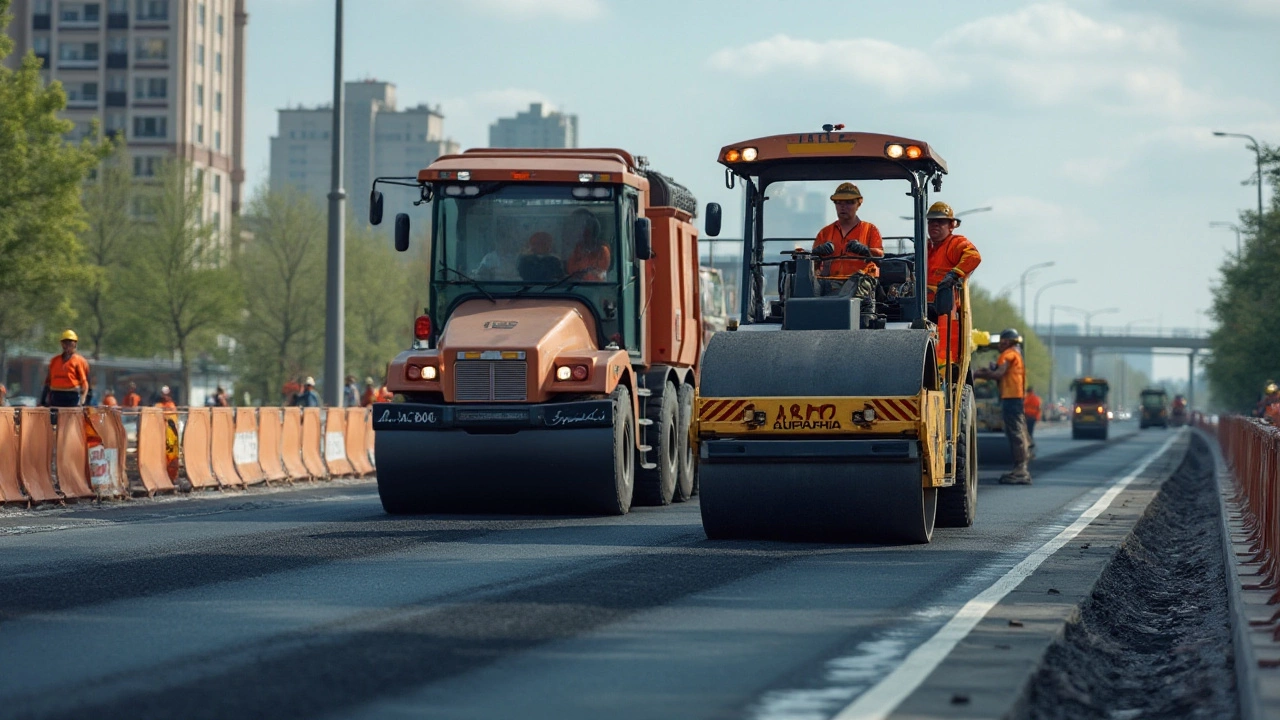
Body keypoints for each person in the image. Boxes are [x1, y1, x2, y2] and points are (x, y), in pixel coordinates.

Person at [925, 202, 982, 365]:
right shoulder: (927, 248)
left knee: (943, 356)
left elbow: (973, 257)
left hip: (945, 307)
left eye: (940, 222)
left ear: (951, 225)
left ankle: (943, 371)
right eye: (931, 221)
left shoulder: (955, 244)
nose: (934, 224)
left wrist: (953, 274)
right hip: (923, 305)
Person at [975, 328, 1031, 484]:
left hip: (1012, 398)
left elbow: (999, 374)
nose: (1000, 345)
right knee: (1017, 432)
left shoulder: (1009, 354)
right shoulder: (1015, 354)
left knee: (1016, 433)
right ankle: (1021, 468)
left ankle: (1021, 470)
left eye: (1001, 342)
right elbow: (1001, 373)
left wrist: (978, 374)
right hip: (1014, 397)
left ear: (1006, 342)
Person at [811, 183, 883, 299]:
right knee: (808, 289)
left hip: (861, 282)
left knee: (853, 290)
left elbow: (880, 259)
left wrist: (866, 251)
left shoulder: (870, 230)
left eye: (849, 202)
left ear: (859, 203)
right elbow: (813, 267)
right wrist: (816, 254)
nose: (843, 207)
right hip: (829, 282)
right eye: (839, 202)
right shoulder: (825, 233)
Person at [42, 329, 91, 408]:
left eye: (70, 343)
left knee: (71, 419)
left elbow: (85, 383)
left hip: (72, 396)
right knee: (55, 419)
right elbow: (48, 381)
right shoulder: (54, 361)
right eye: (65, 343)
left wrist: (83, 399)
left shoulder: (80, 361)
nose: (67, 345)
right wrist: (43, 400)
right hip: (56, 395)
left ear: (75, 344)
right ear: (62, 344)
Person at [564, 211, 611, 282]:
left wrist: (583, 269)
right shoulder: (578, 249)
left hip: (597, 287)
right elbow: (571, 269)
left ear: (595, 233)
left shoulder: (603, 250)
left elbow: (600, 271)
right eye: (583, 232)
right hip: (577, 287)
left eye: (588, 232)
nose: (584, 235)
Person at [1024, 385, 1042, 452]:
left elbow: (1023, 407)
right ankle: (1030, 444)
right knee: (1030, 431)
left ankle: (1029, 444)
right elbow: (1038, 409)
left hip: (1027, 417)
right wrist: (1037, 417)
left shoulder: (1026, 398)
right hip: (1033, 417)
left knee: (1027, 431)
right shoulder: (1036, 399)